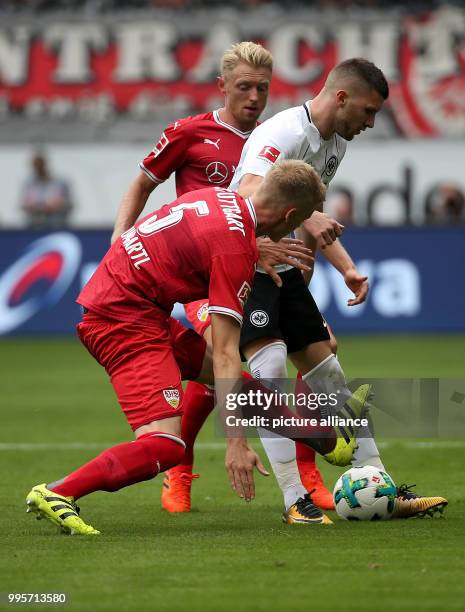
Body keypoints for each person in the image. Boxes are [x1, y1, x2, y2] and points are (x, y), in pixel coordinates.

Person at [25, 160, 357, 536]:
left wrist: (252, 247)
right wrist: (235, 442)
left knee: (240, 386)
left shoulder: (220, 198)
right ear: (290, 215)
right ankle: (57, 492)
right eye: (297, 223)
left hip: (135, 305)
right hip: (122, 322)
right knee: (167, 445)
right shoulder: (234, 249)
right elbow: (229, 351)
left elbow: (202, 240)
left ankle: (325, 439)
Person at [111, 41, 336, 519]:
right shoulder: (190, 133)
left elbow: (308, 209)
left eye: (263, 88)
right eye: (244, 87)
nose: (255, 97)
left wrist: (343, 262)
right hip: (210, 271)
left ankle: (308, 472)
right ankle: (181, 467)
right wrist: (119, 240)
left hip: (268, 268)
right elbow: (143, 184)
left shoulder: (278, 140)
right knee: (224, 359)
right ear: (222, 87)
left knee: (321, 351)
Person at [228, 57, 448, 520]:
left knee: (330, 377)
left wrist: (343, 269)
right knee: (268, 377)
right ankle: (295, 501)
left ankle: (383, 489)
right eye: (367, 112)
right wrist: (307, 219)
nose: (370, 123)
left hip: (284, 263)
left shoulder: (333, 146)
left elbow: (307, 213)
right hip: (247, 257)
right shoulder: (283, 133)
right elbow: (248, 190)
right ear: (341, 97)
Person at [20, 153, 73, 229]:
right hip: (34, 224)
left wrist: (55, 206)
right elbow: (24, 204)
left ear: (45, 165)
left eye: (40, 165)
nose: (39, 169)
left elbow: (68, 204)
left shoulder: (59, 183)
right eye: (36, 166)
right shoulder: (29, 184)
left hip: (56, 223)